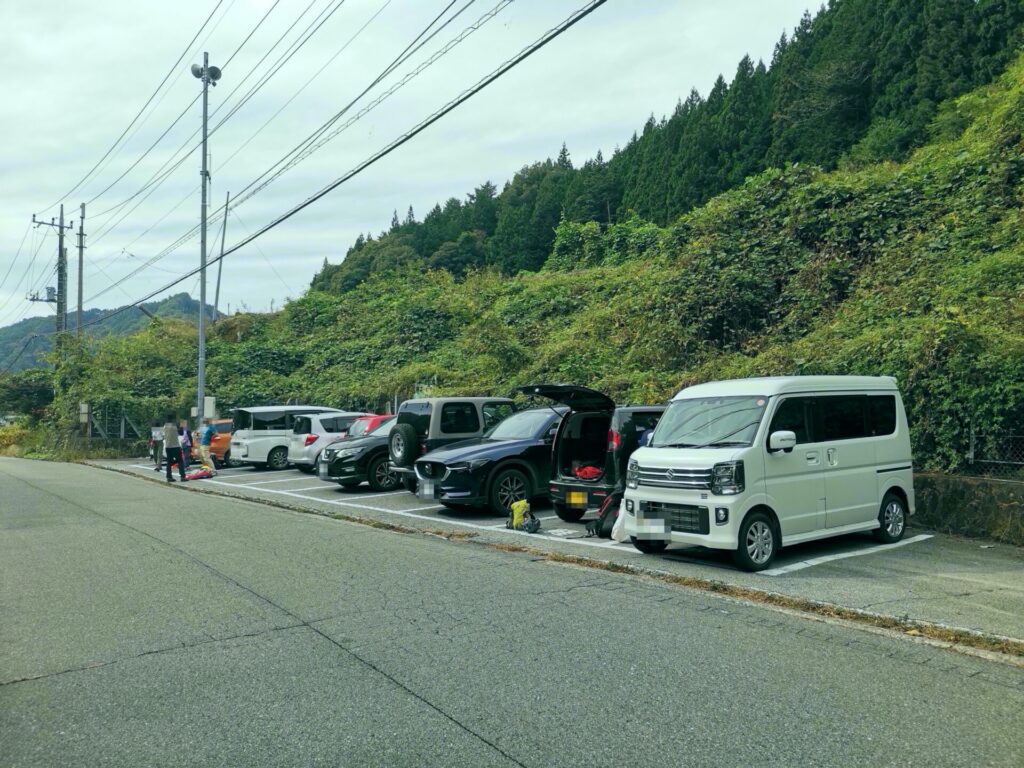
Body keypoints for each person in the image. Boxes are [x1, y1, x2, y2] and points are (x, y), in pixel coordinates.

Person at [163, 414, 187, 483]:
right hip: (175, 446)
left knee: (169, 462)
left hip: (168, 446)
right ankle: (182, 477)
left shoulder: (165, 426)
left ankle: (169, 477)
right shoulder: (175, 425)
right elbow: (181, 433)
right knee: (180, 461)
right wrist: (181, 426)